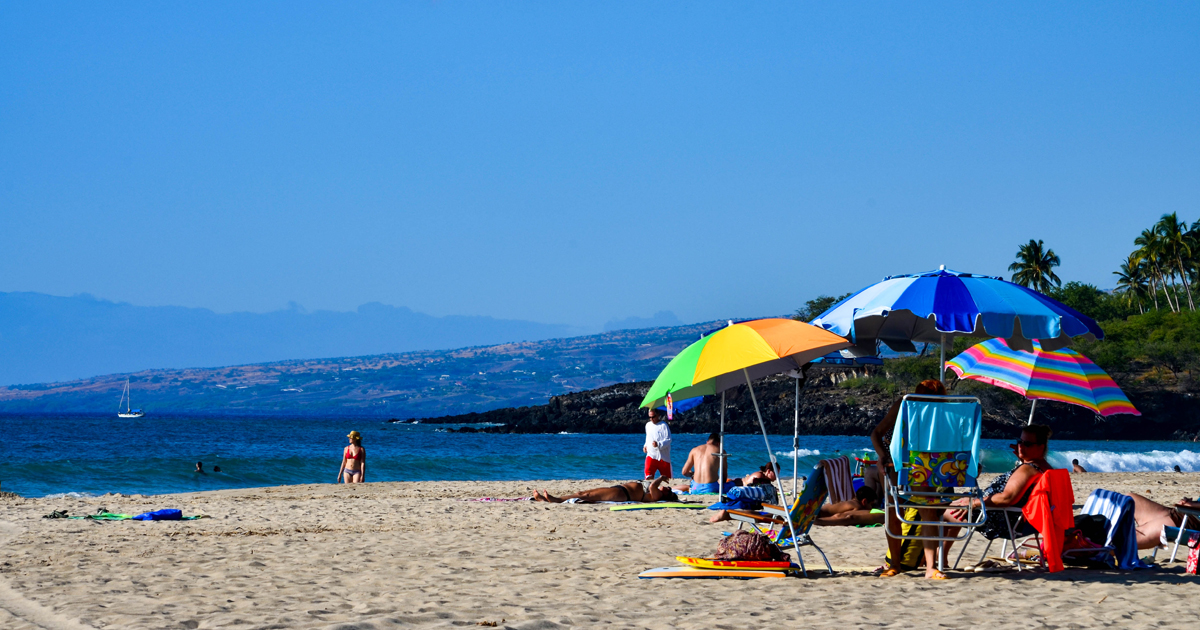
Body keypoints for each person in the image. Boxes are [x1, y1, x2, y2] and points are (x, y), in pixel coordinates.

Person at [870, 378, 953, 579]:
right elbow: (877, 434)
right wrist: (881, 457)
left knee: (928, 511)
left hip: (927, 463)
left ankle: (931, 567)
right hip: (896, 463)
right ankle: (895, 564)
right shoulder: (904, 404)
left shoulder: (943, 413)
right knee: (893, 511)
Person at [940, 424, 1055, 561]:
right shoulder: (1044, 468)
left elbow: (1007, 498)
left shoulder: (1029, 469)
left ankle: (933, 556)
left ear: (1041, 447)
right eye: (1020, 442)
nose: (1021, 446)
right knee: (959, 504)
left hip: (1002, 520)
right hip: (1020, 521)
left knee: (942, 510)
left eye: (1027, 444)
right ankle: (941, 555)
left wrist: (974, 503)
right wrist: (1023, 459)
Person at [1128, 494, 1200, 549]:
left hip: (1192, 520)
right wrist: (1190, 502)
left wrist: (1192, 505)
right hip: (1181, 512)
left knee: (1134, 535)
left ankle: (1118, 548)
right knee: (1129, 499)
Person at [533, 477, 678, 503]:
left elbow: (652, 486)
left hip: (622, 494)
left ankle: (555, 499)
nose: (667, 487)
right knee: (584, 494)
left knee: (585, 495)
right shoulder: (658, 493)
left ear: (667, 495)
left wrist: (661, 478)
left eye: (669, 490)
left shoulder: (657, 496)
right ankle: (546, 499)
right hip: (619, 490)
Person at [815, 487, 885, 527]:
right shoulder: (857, 507)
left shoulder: (849, 499)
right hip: (818, 515)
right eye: (871, 505)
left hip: (816, 509)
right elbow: (844, 516)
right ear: (864, 501)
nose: (871, 508)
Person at [642, 408, 672, 480]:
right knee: (648, 476)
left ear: (658, 415)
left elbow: (669, 440)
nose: (652, 419)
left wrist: (659, 444)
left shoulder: (663, 425)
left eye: (653, 417)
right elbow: (648, 438)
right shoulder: (648, 425)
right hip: (651, 455)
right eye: (650, 417)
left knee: (667, 479)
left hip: (663, 457)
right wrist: (645, 446)